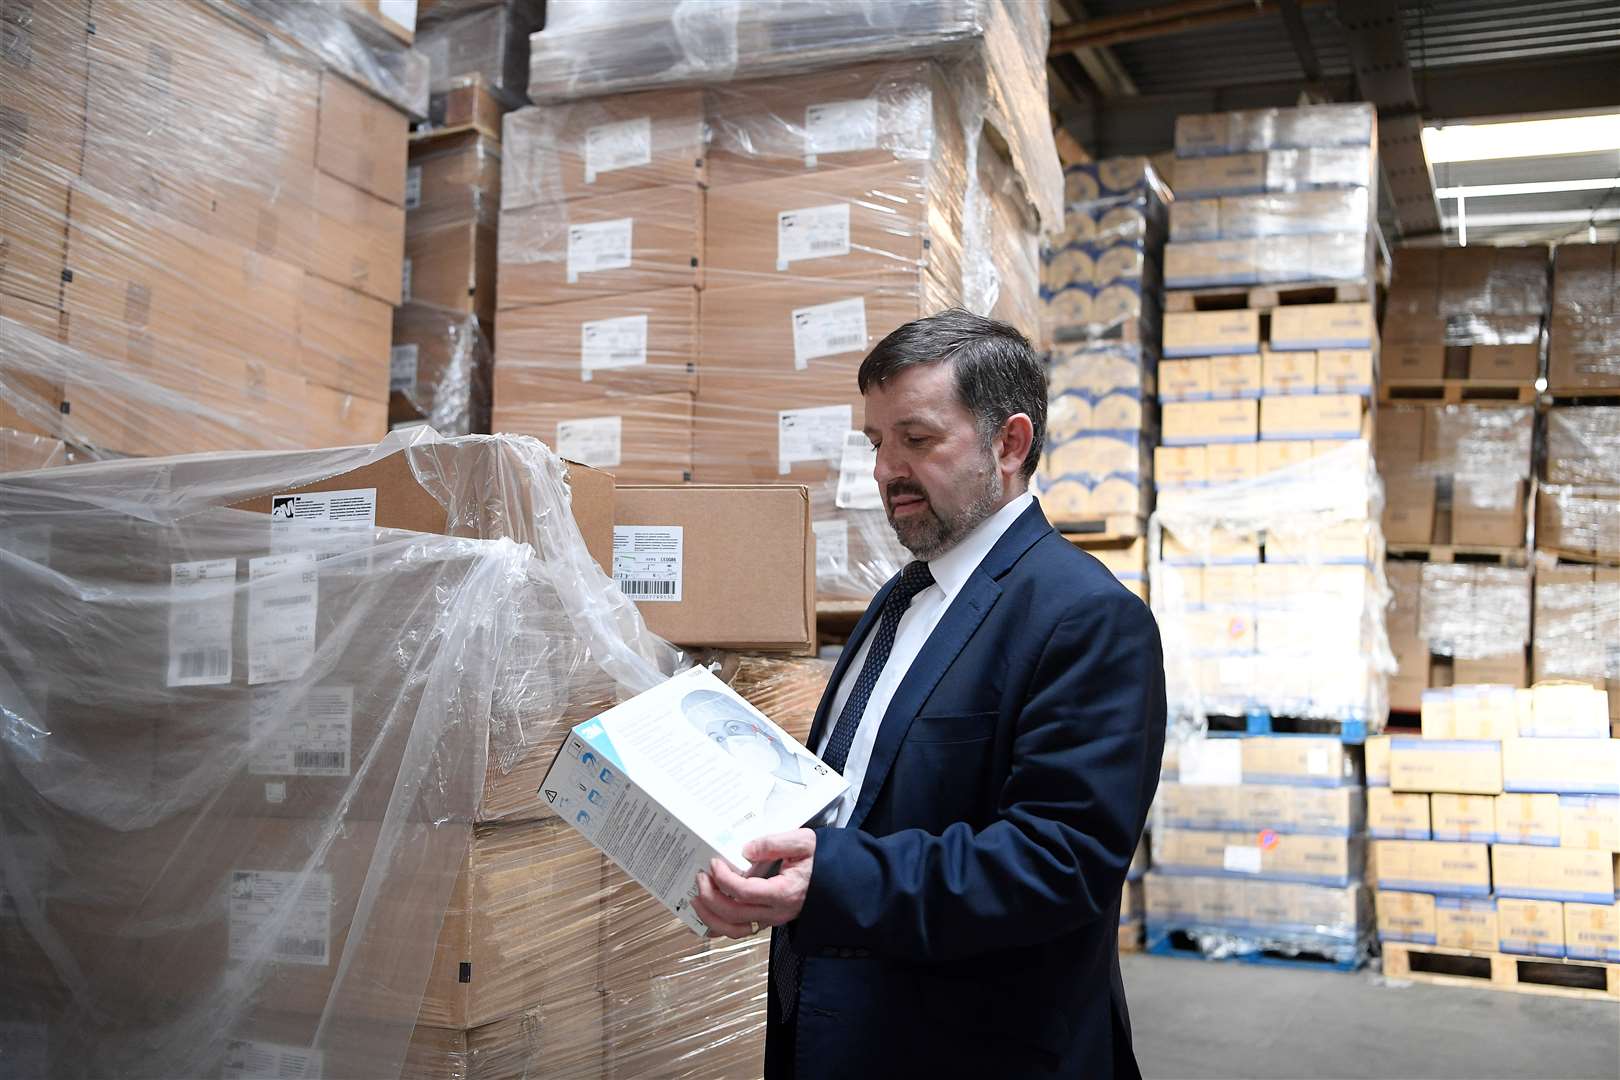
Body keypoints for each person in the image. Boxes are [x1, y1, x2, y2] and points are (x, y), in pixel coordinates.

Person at [691, 309, 1167, 1079]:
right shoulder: (903, 597)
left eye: (917, 440)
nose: (885, 470)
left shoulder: (1085, 617)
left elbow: (1061, 862)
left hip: (970, 1048)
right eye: (877, 443)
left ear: (1009, 444)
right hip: (838, 1033)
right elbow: (857, 800)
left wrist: (831, 880)